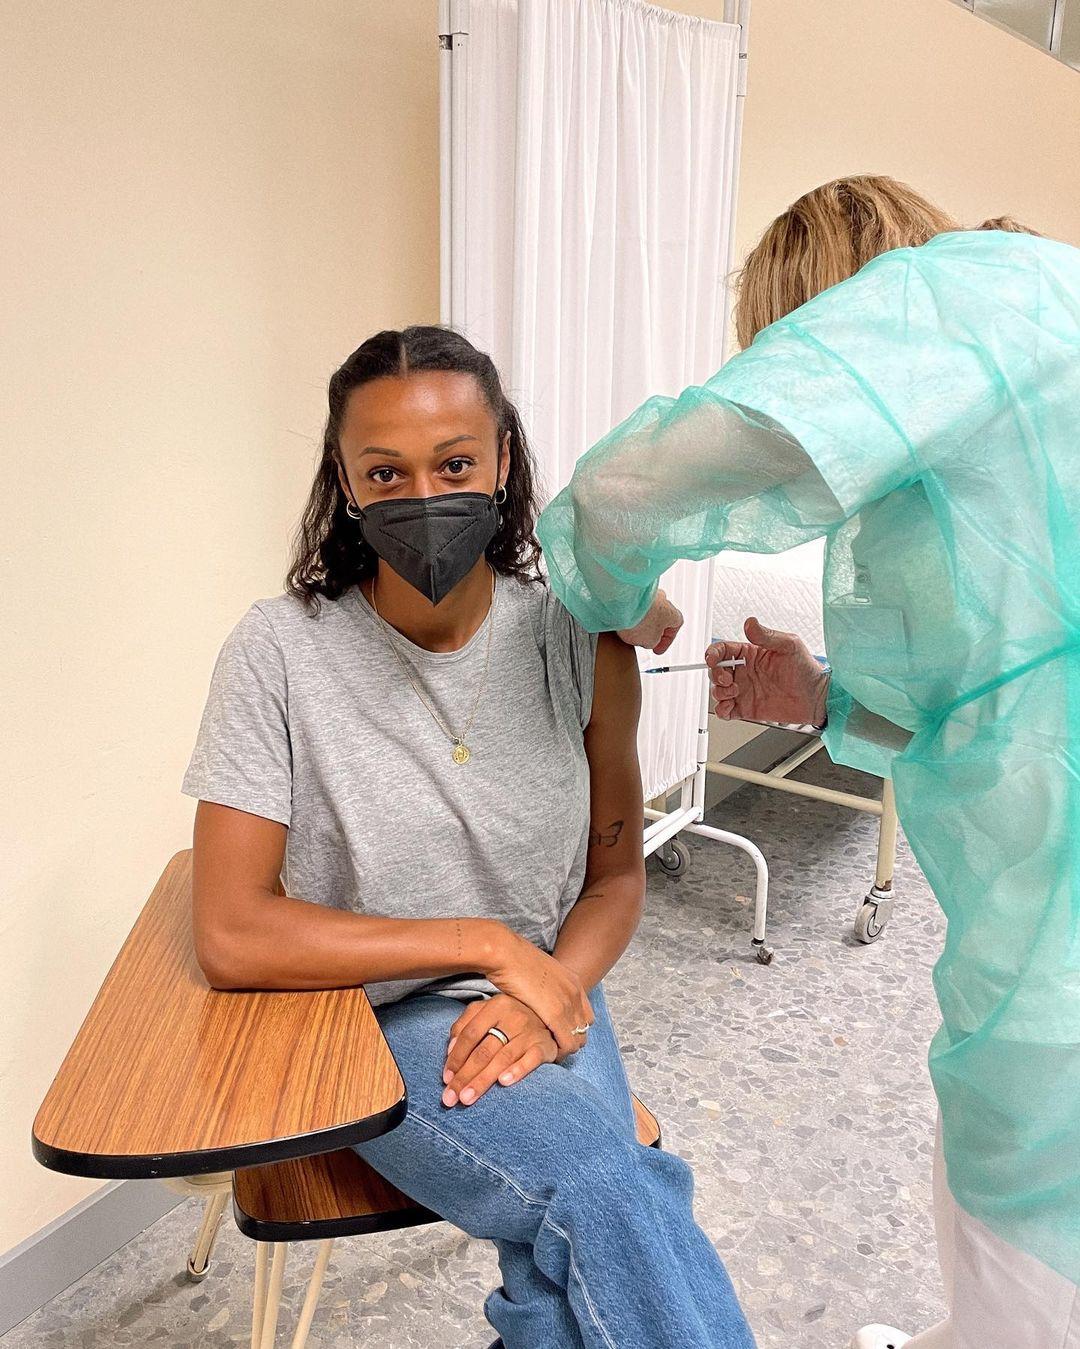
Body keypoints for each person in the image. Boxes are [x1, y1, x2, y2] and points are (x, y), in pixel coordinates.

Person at [537, 176, 1080, 1348]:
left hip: (1062, 1004)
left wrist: (605, 584)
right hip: (1041, 925)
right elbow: (1004, 683)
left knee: (1030, 1254)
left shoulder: (938, 307)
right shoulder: (1037, 344)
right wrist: (827, 692)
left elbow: (634, 486)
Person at [181, 326, 755, 1349]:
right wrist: (488, 947)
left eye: (453, 463)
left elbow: (615, 874)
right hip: (368, 1013)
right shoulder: (276, 653)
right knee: (608, 1184)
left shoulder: (578, 634)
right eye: (384, 471)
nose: (424, 493)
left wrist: (550, 988)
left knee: (580, 1241)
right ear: (346, 487)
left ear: (503, 464)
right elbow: (231, 930)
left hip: (549, 979)